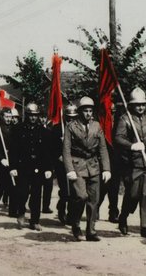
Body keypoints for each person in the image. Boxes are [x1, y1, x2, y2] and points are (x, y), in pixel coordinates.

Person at [114, 87, 146, 239]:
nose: (140, 107)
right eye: (137, 104)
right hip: (132, 164)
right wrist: (132, 145)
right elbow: (118, 138)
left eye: (142, 104)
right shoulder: (125, 119)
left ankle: (145, 227)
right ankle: (123, 216)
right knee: (133, 195)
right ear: (131, 105)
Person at [63, 97, 111, 241]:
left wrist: (107, 168)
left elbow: (102, 148)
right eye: (85, 111)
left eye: (90, 111)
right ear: (79, 112)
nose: (88, 114)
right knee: (81, 197)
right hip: (77, 165)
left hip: (93, 166)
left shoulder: (97, 126)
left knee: (94, 200)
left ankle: (91, 231)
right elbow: (66, 149)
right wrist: (69, 169)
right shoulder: (71, 126)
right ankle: (76, 225)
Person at [9, 103, 52, 231]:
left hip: (38, 167)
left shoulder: (44, 132)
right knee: (22, 192)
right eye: (30, 115)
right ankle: (21, 213)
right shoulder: (18, 129)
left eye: (35, 115)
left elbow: (47, 152)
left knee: (36, 195)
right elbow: (13, 150)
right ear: (26, 115)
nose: (33, 118)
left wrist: (48, 168)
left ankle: (35, 220)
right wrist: (13, 167)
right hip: (23, 166)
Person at [0, 107, 15, 217]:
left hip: (12, 160)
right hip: (1, 162)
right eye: (7, 117)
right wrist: (1, 158)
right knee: (0, 186)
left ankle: (12, 211)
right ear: (2, 117)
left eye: (10, 117)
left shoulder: (14, 129)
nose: (9, 119)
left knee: (12, 186)